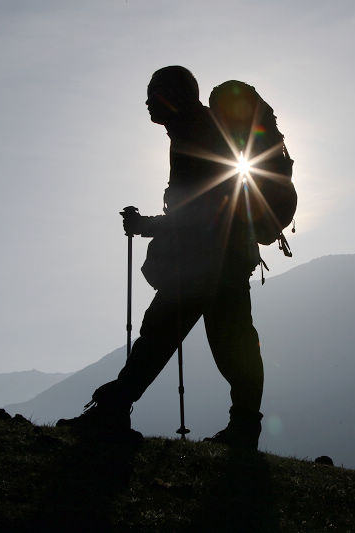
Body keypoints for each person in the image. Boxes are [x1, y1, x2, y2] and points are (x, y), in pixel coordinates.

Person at [58, 66, 264, 449]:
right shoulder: (199, 131)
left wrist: (146, 226)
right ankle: (244, 428)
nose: (148, 102)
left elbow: (199, 212)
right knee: (233, 346)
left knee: (161, 337)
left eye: (153, 93)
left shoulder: (193, 134)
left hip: (205, 263)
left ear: (173, 95)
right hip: (227, 260)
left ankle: (113, 410)